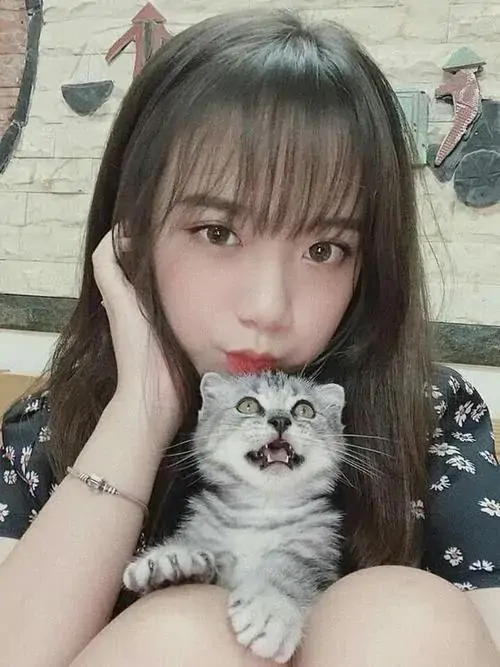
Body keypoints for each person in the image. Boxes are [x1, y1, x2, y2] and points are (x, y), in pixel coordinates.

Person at [0, 8, 498, 667]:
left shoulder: (426, 413)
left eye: (324, 248)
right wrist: (139, 413)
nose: (269, 308)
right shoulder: (48, 428)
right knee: (186, 635)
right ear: (133, 237)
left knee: (403, 613)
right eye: (218, 232)